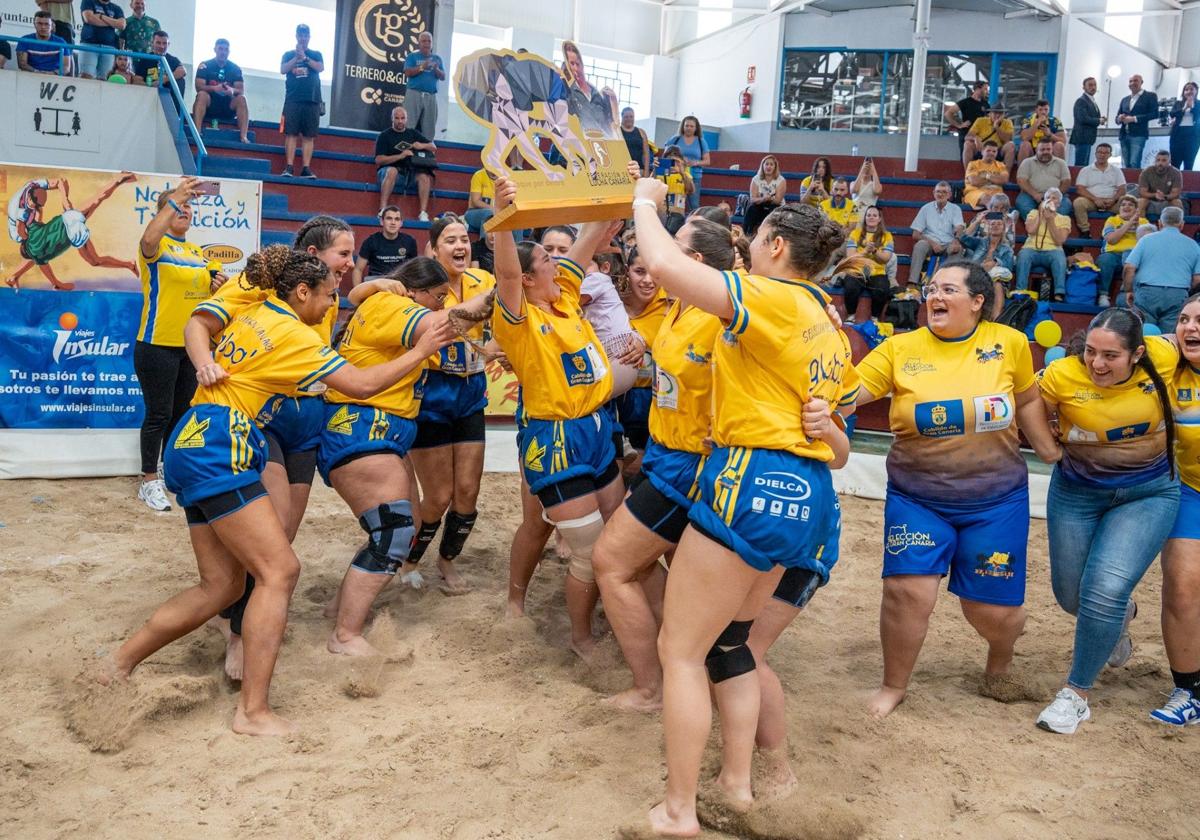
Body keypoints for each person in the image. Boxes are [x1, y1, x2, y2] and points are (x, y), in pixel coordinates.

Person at [98, 246, 444, 737]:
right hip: (224, 444)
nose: (333, 306)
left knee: (221, 586)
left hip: (194, 437)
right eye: (328, 296)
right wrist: (420, 351)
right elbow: (362, 384)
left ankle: (117, 665)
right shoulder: (294, 335)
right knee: (280, 570)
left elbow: (200, 326)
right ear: (302, 291)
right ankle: (252, 712)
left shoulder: (257, 310)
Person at [629, 190, 851, 837]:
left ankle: (678, 812)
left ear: (778, 247)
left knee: (681, 650)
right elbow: (830, 437)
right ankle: (737, 783)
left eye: (756, 241)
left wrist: (644, 202)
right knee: (732, 645)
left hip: (749, 479)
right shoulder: (827, 326)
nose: (747, 250)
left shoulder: (773, 297)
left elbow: (667, 269)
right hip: (804, 492)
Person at [854, 260, 1060, 719]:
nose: (935, 297)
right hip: (917, 497)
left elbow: (1026, 398)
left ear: (978, 302)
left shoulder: (1007, 344)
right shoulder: (899, 348)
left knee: (990, 613)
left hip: (996, 500)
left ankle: (1000, 666)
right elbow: (850, 392)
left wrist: (1048, 450)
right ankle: (893, 685)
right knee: (908, 592)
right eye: (931, 289)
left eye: (948, 289)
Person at [200, 215, 360, 680]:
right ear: (313, 258)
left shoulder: (326, 295)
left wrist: (381, 286)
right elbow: (200, 320)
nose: (350, 264)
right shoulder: (266, 287)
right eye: (343, 254)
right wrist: (204, 363)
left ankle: (237, 607)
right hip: (264, 414)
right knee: (268, 540)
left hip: (307, 419)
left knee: (283, 534)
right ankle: (235, 634)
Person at [592, 218, 741, 712]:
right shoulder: (678, 308)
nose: (658, 257)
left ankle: (651, 688)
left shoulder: (724, 316)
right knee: (670, 572)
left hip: (693, 466)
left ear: (694, 263)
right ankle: (681, 668)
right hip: (664, 456)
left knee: (611, 563)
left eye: (673, 248)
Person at [492, 179, 624, 658]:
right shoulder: (518, 317)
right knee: (587, 552)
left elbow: (595, 231)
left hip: (596, 428)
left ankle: (603, 615)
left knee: (615, 538)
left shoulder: (565, 294)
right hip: (555, 437)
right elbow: (505, 276)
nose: (556, 259)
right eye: (546, 257)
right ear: (528, 277)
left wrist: (621, 183)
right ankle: (579, 638)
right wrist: (503, 219)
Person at [1033, 308, 1179, 734]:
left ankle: (1075, 695)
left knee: (1104, 589)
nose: (1097, 364)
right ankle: (1122, 616)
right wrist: (1048, 451)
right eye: (1092, 352)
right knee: (1070, 596)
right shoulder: (1062, 374)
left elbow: (1180, 336)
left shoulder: (1163, 358)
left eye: (1111, 356)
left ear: (1137, 353)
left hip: (1149, 492)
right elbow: (1029, 407)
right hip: (1077, 492)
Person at [320, 259, 458, 655]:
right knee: (393, 530)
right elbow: (441, 325)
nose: (440, 305)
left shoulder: (391, 305)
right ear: (415, 291)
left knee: (405, 524)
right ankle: (345, 634)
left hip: (383, 430)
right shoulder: (392, 306)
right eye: (438, 298)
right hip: (361, 427)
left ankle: (340, 605)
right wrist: (502, 293)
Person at [405, 216, 496, 595]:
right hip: (432, 394)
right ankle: (410, 559)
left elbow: (502, 319)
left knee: (468, 492)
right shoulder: (419, 286)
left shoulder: (484, 281)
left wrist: (495, 346)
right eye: (449, 240)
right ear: (432, 248)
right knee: (439, 495)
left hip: (472, 391)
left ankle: (447, 560)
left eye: (464, 239)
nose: (460, 246)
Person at [131, 179, 216, 512]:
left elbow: (207, 296)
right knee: (158, 414)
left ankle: (167, 470)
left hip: (190, 347)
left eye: (189, 207)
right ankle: (148, 481)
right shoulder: (155, 246)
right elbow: (148, 238)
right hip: (155, 344)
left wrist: (215, 282)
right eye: (179, 207)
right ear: (163, 213)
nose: (186, 211)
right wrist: (175, 199)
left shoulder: (196, 252)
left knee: (181, 415)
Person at [1153, 293, 1200, 725]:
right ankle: (1189, 690)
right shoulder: (1170, 369)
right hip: (1189, 490)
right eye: (1184, 319)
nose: (1191, 327)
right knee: (1183, 586)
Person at [5, 171, 136, 290]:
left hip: (74, 232)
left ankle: (129, 264)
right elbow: (26, 226)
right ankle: (118, 179)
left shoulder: (39, 257)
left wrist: (58, 284)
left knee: (95, 261)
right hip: (67, 216)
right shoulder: (32, 226)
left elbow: (54, 280)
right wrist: (65, 201)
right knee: (97, 199)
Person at [616, 248, 669, 467]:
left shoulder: (670, 305)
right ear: (627, 271)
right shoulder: (610, 304)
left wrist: (642, 339)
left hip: (659, 402)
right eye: (639, 272)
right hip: (616, 403)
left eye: (654, 274)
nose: (648, 281)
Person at [1122, 206, 1200, 333]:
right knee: (1168, 337)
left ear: (1160, 223)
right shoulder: (1193, 245)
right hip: (1178, 294)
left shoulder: (1146, 240)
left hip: (1147, 293)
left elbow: (1129, 267)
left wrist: (1129, 290)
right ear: (1182, 224)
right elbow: (1197, 279)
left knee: (1142, 334)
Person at [375, 106, 435, 221]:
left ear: (406, 119)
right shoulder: (384, 136)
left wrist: (421, 145)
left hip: (410, 173)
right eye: (397, 118)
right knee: (392, 171)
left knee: (424, 176)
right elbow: (378, 160)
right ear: (392, 119)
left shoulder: (412, 133)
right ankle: (382, 210)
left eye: (403, 118)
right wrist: (400, 156)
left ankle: (423, 213)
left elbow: (433, 147)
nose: (400, 121)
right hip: (388, 173)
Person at [280, 24, 324, 179]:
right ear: (296, 36)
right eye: (300, 35)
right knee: (290, 133)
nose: (303, 38)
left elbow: (319, 68)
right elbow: (283, 69)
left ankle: (306, 168)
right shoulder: (287, 54)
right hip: (293, 99)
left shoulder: (316, 54)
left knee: (309, 136)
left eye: (306, 35)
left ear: (309, 37)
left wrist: (305, 57)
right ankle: (289, 166)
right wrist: (296, 57)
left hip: (312, 100)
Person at [1015, 187, 1071, 301]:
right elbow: (1030, 230)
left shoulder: (1064, 219)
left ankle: (1059, 292)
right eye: (1047, 198)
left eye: (1054, 198)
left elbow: (1059, 240)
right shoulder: (1033, 213)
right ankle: (1021, 291)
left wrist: (1050, 220)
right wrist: (1040, 215)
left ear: (1059, 204)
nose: (1050, 200)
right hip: (1031, 248)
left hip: (1053, 249)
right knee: (1023, 256)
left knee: (1060, 259)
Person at [843, 206, 895, 324]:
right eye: (869, 215)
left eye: (874, 215)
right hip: (858, 269)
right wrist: (865, 251)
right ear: (865, 218)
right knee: (851, 285)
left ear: (879, 219)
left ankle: (874, 317)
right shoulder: (855, 234)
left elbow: (886, 259)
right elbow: (850, 257)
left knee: (882, 289)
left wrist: (875, 251)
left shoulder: (887, 236)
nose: (871, 217)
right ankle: (851, 315)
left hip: (877, 271)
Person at [1095, 194, 1148, 308]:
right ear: (1119, 209)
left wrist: (1137, 224)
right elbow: (1111, 239)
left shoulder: (1143, 222)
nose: (1126, 207)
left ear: (1136, 209)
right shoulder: (1112, 220)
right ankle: (1103, 295)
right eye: (1123, 205)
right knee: (1105, 260)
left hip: (1133, 255)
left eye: (1130, 205)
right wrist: (1129, 224)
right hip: (1113, 254)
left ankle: (1126, 290)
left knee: (1128, 253)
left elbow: (1147, 243)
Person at [960, 211, 1016, 316]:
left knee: (997, 284)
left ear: (1003, 229)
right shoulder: (980, 242)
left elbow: (1008, 268)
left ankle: (996, 321)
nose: (995, 226)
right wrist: (977, 222)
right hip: (977, 276)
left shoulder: (1007, 249)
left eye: (999, 224)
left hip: (995, 280)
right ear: (988, 228)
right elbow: (963, 238)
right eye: (992, 224)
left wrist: (995, 263)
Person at [194, 39, 249, 144]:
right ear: (215, 49)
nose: (223, 52)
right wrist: (215, 88)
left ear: (229, 52)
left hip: (228, 105)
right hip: (210, 104)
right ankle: (197, 132)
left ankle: (243, 137)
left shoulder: (235, 68)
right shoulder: (205, 65)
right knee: (201, 95)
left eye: (226, 50)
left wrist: (232, 90)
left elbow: (240, 90)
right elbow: (199, 86)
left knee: (242, 99)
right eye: (220, 49)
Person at [908, 182, 964, 283]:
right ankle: (912, 282)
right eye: (938, 191)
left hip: (948, 243)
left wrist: (956, 240)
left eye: (944, 192)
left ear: (949, 195)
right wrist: (932, 243)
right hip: (930, 242)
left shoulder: (955, 209)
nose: (940, 194)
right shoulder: (926, 209)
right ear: (934, 193)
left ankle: (949, 282)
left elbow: (959, 227)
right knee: (920, 245)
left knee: (957, 249)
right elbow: (915, 234)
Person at [562, 41, 620, 139]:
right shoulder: (566, 93)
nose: (575, 68)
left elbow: (612, 125)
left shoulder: (598, 95)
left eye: (578, 64)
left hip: (604, 147)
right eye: (571, 64)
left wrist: (613, 102)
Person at [352, 206, 417, 286]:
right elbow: (358, 269)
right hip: (376, 282)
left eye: (397, 219)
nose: (393, 222)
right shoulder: (370, 241)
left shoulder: (409, 241)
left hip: (400, 282)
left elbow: (414, 270)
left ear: (401, 223)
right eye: (389, 218)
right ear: (382, 221)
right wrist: (358, 294)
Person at [1071, 142, 1126, 234]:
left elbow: (1122, 188)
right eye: (1100, 152)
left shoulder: (1116, 171)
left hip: (1112, 203)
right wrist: (1095, 199)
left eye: (1105, 153)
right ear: (1095, 154)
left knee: (1127, 201)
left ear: (1110, 155)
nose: (1102, 155)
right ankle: (1085, 231)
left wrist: (1113, 199)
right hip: (1092, 201)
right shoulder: (1086, 170)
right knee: (1078, 202)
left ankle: (1120, 231)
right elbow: (1080, 189)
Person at [401, 31, 444, 140]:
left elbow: (443, 77)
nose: (426, 43)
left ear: (432, 44)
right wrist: (422, 67)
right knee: (408, 125)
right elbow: (408, 73)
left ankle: (427, 154)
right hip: (414, 94)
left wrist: (436, 69)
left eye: (429, 41)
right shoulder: (412, 57)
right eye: (424, 41)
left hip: (431, 96)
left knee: (429, 129)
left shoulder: (437, 59)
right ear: (419, 43)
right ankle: (404, 151)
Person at [1015, 138, 1072, 220]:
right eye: (1042, 149)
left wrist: (1053, 196)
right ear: (1036, 150)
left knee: (1066, 206)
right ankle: (1037, 228)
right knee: (1023, 204)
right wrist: (1035, 194)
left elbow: (1066, 182)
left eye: (1048, 149)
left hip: (1055, 195)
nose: (1045, 152)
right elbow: (1021, 180)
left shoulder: (1061, 163)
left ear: (1052, 150)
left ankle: (1049, 228)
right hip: (1031, 195)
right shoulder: (1027, 162)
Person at [665, 115, 710, 214]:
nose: (689, 128)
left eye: (691, 126)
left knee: (693, 206)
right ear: (683, 126)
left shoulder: (701, 141)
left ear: (696, 128)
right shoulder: (675, 139)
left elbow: (707, 161)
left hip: (694, 177)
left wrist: (695, 162)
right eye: (687, 126)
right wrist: (678, 160)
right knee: (673, 204)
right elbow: (666, 155)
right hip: (676, 176)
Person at [1116, 74, 1159, 169]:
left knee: (1134, 163)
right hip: (1124, 135)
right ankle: (1127, 183)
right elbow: (1117, 117)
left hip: (1139, 135)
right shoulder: (1125, 99)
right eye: (1130, 81)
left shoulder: (1150, 96)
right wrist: (1119, 118)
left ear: (1141, 82)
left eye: (1135, 81)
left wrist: (1134, 119)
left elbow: (1155, 114)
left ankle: (1135, 183)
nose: (1132, 83)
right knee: (1125, 164)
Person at [944, 81, 990, 164]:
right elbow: (948, 113)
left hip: (980, 136)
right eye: (985, 89)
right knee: (966, 159)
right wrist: (959, 125)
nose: (987, 91)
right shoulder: (965, 102)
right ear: (977, 89)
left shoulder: (986, 104)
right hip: (966, 134)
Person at [79, 0, 125, 80]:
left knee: (104, 79)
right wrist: (112, 23)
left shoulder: (117, 8)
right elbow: (89, 18)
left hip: (109, 48)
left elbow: (121, 25)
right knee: (86, 77)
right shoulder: (88, 1)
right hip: (89, 45)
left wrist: (101, 17)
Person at [963, 104, 1016, 173]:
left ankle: (1005, 175)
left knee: (1011, 145)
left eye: (1000, 113)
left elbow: (1007, 139)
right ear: (990, 114)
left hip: (998, 151)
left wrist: (996, 127)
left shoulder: (1008, 123)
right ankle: (968, 174)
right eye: (995, 113)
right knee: (967, 144)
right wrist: (975, 138)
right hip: (981, 149)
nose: (997, 115)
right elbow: (967, 136)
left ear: (1004, 115)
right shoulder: (980, 121)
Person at [744, 154, 786, 238]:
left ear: (775, 167)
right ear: (762, 166)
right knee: (751, 208)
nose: (768, 167)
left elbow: (778, 200)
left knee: (774, 209)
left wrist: (768, 199)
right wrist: (763, 199)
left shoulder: (781, 180)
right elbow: (753, 199)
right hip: (761, 204)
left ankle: (771, 236)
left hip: (775, 206)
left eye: (771, 164)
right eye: (766, 164)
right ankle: (746, 234)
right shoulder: (756, 179)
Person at [1017, 100, 1068, 165]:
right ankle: (1022, 173)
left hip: (1049, 150)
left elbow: (1063, 141)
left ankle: (1060, 173)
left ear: (1049, 110)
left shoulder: (1055, 121)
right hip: (1033, 150)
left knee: (1059, 145)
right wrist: (1036, 124)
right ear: (1036, 110)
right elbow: (1024, 137)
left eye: (1046, 110)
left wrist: (1050, 134)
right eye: (1040, 110)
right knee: (1025, 145)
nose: (1043, 112)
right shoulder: (1027, 120)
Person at [1137, 150, 1184, 218]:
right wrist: (1155, 195)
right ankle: (1140, 226)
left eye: (1164, 160)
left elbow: (1175, 193)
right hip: (1150, 200)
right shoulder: (1146, 172)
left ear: (1169, 162)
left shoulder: (1176, 173)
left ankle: (1175, 227)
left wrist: (1164, 196)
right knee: (1141, 201)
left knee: (1177, 202)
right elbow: (1142, 192)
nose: (1160, 163)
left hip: (1167, 200)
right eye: (1158, 160)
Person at [962, 141, 1008, 210]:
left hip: (996, 194)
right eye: (988, 150)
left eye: (994, 151)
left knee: (1004, 200)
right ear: (982, 151)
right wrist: (995, 179)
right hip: (975, 193)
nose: (991, 153)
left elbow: (1004, 180)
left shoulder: (1001, 165)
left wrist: (986, 176)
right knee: (989, 198)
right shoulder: (973, 164)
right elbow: (975, 181)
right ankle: (996, 215)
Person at [1070, 77, 1103, 167]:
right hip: (1082, 137)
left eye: (1095, 85)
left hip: (1087, 138)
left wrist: (1100, 119)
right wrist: (1099, 120)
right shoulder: (1081, 101)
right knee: (1080, 165)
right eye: (1090, 85)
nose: (1093, 87)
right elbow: (1083, 118)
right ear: (1084, 87)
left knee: (1084, 165)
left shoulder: (1091, 101)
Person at [656, 145, 693, 220]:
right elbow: (649, 187)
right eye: (670, 161)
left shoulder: (685, 174)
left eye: (676, 161)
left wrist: (681, 172)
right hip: (661, 210)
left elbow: (690, 190)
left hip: (678, 211)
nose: (673, 164)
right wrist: (655, 169)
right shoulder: (660, 173)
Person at [1169, 82, 1200, 172]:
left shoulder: (1199, 104)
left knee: (1189, 164)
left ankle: (1186, 185)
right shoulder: (1178, 103)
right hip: (1177, 136)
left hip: (1193, 137)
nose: (1189, 91)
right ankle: (1174, 185)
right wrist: (1184, 108)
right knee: (1175, 164)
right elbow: (1172, 114)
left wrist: (1192, 106)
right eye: (1186, 90)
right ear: (1183, 92)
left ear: (1196, 91)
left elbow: (1197, 115)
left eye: (1191, 89)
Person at [621, 107, 651, 176]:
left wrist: (646, 171)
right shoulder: (617, 132)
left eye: (631, 117)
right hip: (623, 170)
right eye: (626, 117)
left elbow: (646, 154)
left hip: (639, 170)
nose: (629, 119)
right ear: (622, 117)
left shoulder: (641, 132)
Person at [464, 168, 495, 234]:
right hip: (474, 211)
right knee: (489, 214)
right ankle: (484, 243)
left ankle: (518, 244)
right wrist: (494, 209)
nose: (493, 171)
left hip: (498, 214)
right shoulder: (479, 175)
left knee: (516, 217)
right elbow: (475, 202)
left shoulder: (506, 177)